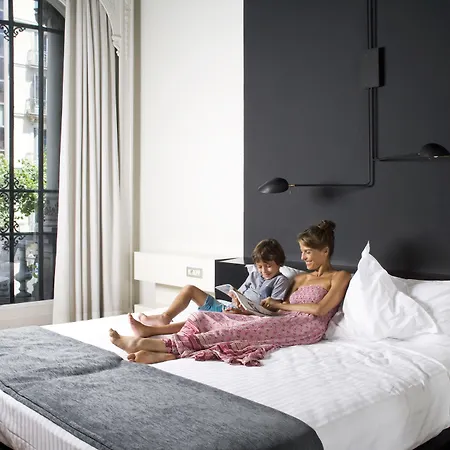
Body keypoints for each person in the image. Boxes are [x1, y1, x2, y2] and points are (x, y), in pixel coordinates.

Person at [109, 220, 351, 366]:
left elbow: (320, 309)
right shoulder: (299, 277)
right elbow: (276, 309)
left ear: (325, 251)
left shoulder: (339, 276)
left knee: (235, 331)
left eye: (308, 252)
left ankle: (151, 344)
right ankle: (164, 355)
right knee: (205, 317)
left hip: (307, 327)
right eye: (302, 251)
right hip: (282, 320)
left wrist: (280, 306)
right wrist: (260, 309)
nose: (303, 257)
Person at [136, 238, 290, 330]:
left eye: (268, 266)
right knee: (190, 289)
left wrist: (243, 312)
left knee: (199, 318)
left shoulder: (280, 281)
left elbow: (271, 310)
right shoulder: (254, 274)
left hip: (243, 316)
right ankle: (165, 317)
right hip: (228, 308)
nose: (264, 271)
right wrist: (235, 296)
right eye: (260, 266)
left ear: (279, 263)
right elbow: (240, 292)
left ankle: (156, 330)